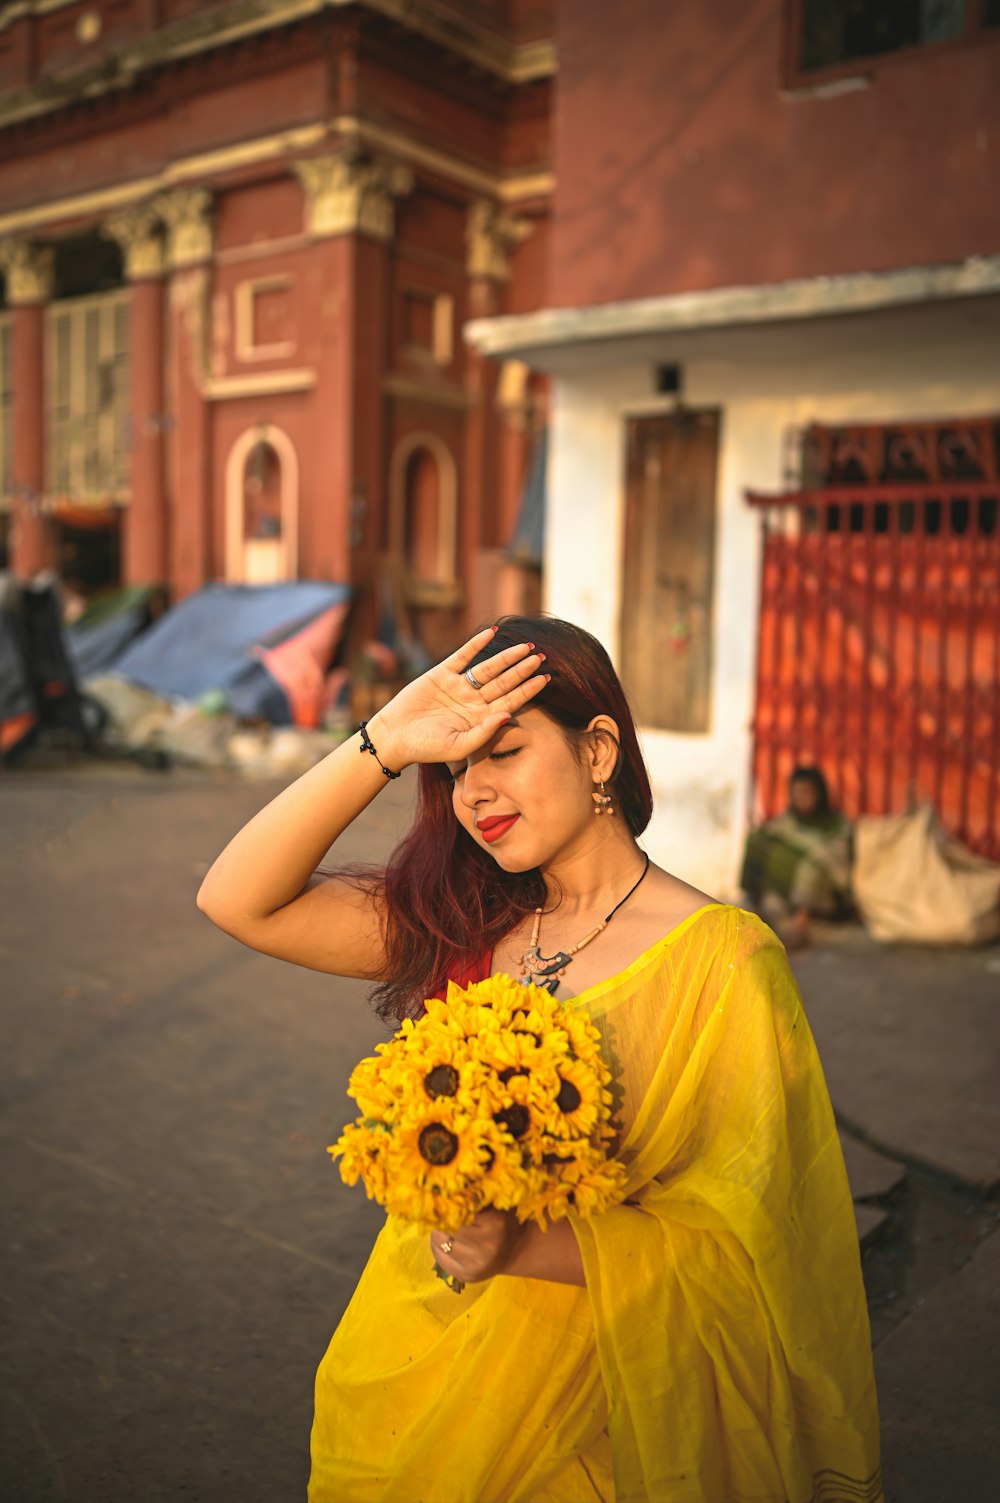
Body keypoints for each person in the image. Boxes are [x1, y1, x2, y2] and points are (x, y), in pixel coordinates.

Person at [197, 616, 882, 1503]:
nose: (473, 791)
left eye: (504, 750)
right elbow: (235, 899)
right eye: (454, 768)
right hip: (429, 1383)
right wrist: (384, 739)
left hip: (612, 1417)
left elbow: (751, 1260)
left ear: (598, 751)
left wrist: (520, 1241)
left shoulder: (724, 961)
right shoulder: (464, 922)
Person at [740, 766, 853, 949]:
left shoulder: (836, 825)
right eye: (797, 792)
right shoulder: (790, 820)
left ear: (820, 793)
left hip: (826, 894)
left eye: (807, 792)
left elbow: (838, 867)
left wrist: (808, 854)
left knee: (812, 863)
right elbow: (772, 834)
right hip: (789, 889)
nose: (802, 798)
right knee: (758, 842)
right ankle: (753, 913)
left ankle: (800, 927)